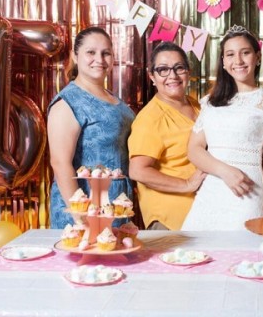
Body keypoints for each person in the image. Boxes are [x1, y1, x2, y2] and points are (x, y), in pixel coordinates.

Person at [181, 25, 263, 231]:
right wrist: (225, 171)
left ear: (257, 57)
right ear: (223, 62)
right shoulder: (210, 102)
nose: (238, 61)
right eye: (230, 55)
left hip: (247, 193)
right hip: (211, 193)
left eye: (245, 53)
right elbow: (194, 150)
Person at [47, 27, 135, 229]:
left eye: (106, 53)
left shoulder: (114, 99)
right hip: (85, 213)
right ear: (75, 56)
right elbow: (60, 163)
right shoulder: (68, 102)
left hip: (115, 205)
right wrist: (83, 217)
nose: (100, 59)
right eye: (91, 52)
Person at [128, 42, 206, 230]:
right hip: (170, 219)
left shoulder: (196, 105)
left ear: (188, 72)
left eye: (179, 68)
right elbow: (138, 171)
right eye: (163, 70)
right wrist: (187, 184)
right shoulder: (150, 118)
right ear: (152, 77)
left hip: (201, 212)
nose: (172, 75)